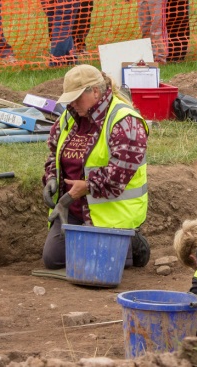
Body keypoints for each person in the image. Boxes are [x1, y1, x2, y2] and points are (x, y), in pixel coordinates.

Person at [41, 65, 151, 269]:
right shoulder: (68, 117)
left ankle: (132, 241)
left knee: (98, 265)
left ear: (96, 92)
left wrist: (87, 186)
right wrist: (50, 178)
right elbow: (53, 153)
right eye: (69, 99)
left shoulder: (125, 121)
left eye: (77, 98)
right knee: (53, 259)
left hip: (110, 214)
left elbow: (118, 176)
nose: (72, 104)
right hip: (73, 210)